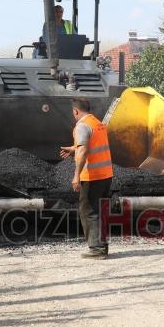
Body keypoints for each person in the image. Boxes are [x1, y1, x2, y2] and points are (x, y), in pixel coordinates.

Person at [59, 98, 113, 260]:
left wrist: (76, 175)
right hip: (106, 174)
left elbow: (83, 152)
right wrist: (73, 148)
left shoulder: (81, 126)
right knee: (99, 211)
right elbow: (90, 145)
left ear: (76, 111)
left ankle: (96, 249)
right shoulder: (97, 123)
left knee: (88, 211)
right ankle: (102, 247)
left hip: (92, 176)